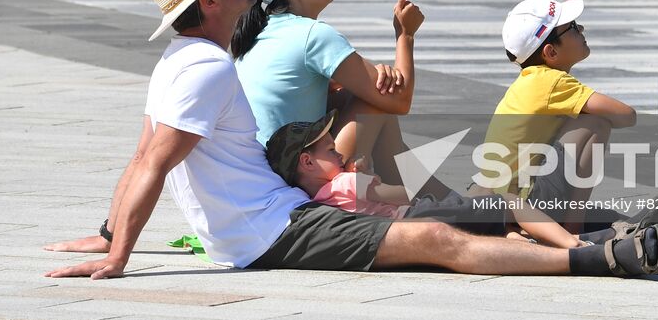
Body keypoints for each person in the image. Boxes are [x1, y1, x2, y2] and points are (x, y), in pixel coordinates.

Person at [44, 0, 658, 281]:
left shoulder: (177, 62)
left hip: (278, 211)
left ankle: (603, 240)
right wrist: (118, 255)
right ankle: (597, 255)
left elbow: (141, 155)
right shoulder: (210, 65)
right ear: (209, 1)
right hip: (274, 224)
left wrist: (108, 233)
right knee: (434, 235)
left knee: (435, 211)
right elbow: (153, 160)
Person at [270, 113, 636, 250]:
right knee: (508, 202)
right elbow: (403, 193)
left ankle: (603, 235)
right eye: (330, 151)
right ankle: (572, 243)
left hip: (411, 225)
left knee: (504, 229)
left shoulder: (322, 197)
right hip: (421, 215)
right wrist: (369, 178)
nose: (338, 153)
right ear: (307, 161)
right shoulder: (345, 186)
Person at [233, 0, 431, 185]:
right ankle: (452, 206)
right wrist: (405, 35)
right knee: (376, 103)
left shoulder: (263, 32)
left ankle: (448, 204)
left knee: (357, 98)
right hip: (301, 179)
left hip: (272, 173)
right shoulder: (312, 35)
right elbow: (399, 101)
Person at [485, 0, 653, 233]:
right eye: (572, 27)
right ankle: (572, 230)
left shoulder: (532, 80)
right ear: (550, 52)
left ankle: (623, 226)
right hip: (523, 202)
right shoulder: (550, 81)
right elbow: (627, 115)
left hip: (501, 202)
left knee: (612, 218)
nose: (582, 28)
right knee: (595, 123)